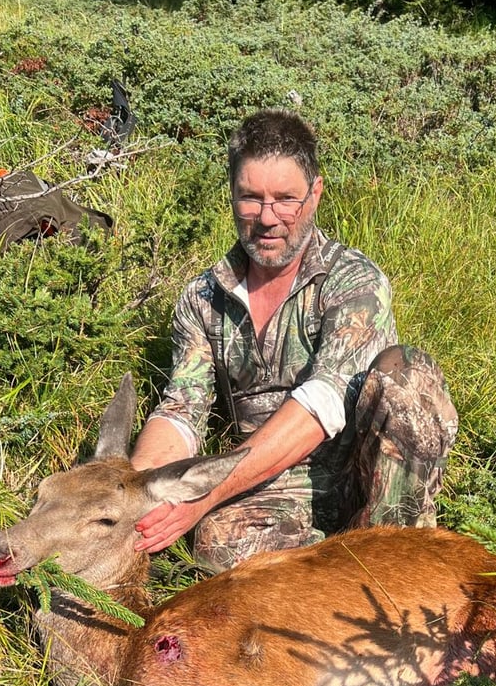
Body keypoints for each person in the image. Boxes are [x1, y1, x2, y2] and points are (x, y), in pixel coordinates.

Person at [131, 108, 458, 570]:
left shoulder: (353, 282)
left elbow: (321, 402)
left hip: (363, 474)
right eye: (251, 198)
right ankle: (330, 577)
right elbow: (181, 410)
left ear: (316, 193)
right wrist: (143, 493)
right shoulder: (202, 298)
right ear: (231, 196)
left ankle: (395, 560)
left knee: (407, 376)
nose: (268, 218)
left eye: (286, 198)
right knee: (216, 547)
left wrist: (205, 497)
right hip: (273, 484)